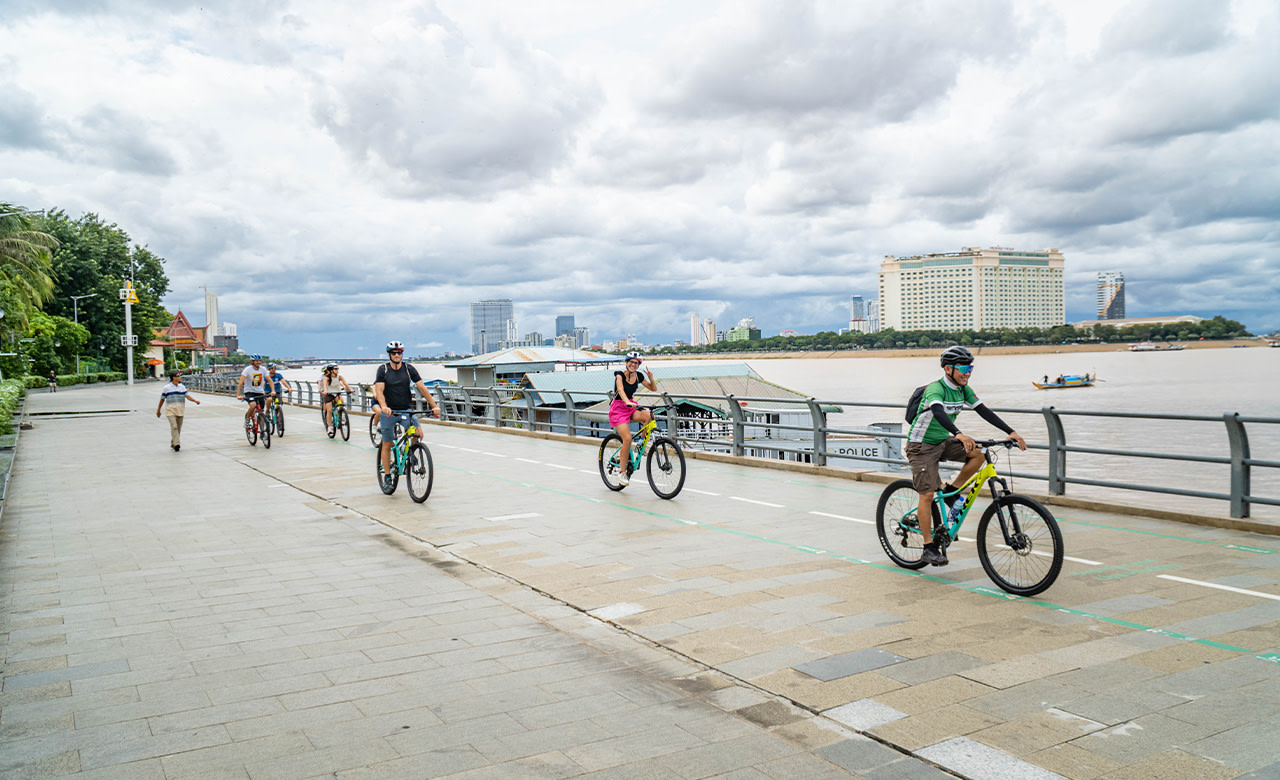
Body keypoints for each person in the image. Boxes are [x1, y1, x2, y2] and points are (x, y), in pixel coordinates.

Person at [906, 346, 1026, 566]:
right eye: (963, 368)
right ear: (948, 368)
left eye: (970, 367)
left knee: (979, 453)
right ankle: (928, 547)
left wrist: (1010, 432)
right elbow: (939, 412)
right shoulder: (937, 388)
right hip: (920, 446)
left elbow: (983, 410)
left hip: (943, 442)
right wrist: (959, 434)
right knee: (927, 495)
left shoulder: (964, 389)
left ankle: (952, 491)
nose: (968, 372)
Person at [374, 341, 441, 490]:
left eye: (399, 352)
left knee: (418, 434)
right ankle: (387, 475)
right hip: (389, 412)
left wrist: (434, 405)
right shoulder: (383, 370)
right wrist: (384, 407)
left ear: (402, 354)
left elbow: (422, 387)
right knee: (387, 443)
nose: (397, 355)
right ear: (389, 354)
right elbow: (379, 390)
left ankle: (409, 451)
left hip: (406, 410)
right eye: (393, 353)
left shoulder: (409, 369)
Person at [609, 351, 657, 486]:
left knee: (649, 416)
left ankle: (641, 445)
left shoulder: (639, 376)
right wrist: (627, 401)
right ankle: (622, 473)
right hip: (618, 408)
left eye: (636, 363)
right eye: (631, 361)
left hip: (630, 406)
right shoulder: (619, 374)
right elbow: (620, 389)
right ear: (626, 362)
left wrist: (651, 378)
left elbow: (653, 388)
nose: (633, 364)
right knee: (628, 438)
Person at [156, 370, 200, 451]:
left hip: (180, 410)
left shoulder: (182, 387)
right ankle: (177, 444)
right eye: (178, 376)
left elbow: (187, 396)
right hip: (170, 410)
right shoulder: (167, 388)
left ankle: (173, 442)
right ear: (174, 378)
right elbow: (162, 399)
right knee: (174, 427)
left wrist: (195, 401)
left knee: (178, 428)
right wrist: (158, 410)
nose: (180, 377)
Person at [235, 355, 275, 429]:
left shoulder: (263, 369)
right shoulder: (247, 370)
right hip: (249, 392)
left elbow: (270, 381)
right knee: (253, 405)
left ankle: (263, 431)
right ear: (252, 362)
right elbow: (240, 383)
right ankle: (247, 419)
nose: (258, 362)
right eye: (256, 361)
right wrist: (238, 395)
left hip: (259, 392)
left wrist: (273, 390)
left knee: (261, 411)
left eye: (259, 361)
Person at [319, 363, 352, 433]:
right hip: (328, 394)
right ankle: (330, 427)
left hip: (337, 393)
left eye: (338, 369)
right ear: (331, 370)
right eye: (335, 369)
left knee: (341, 403)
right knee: (329, 410)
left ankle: (340, 414)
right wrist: (325, 390)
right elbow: (324, 385)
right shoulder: (326, 378)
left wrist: (350, 389)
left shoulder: (339, 376)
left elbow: (345, 383)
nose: (337, 370)